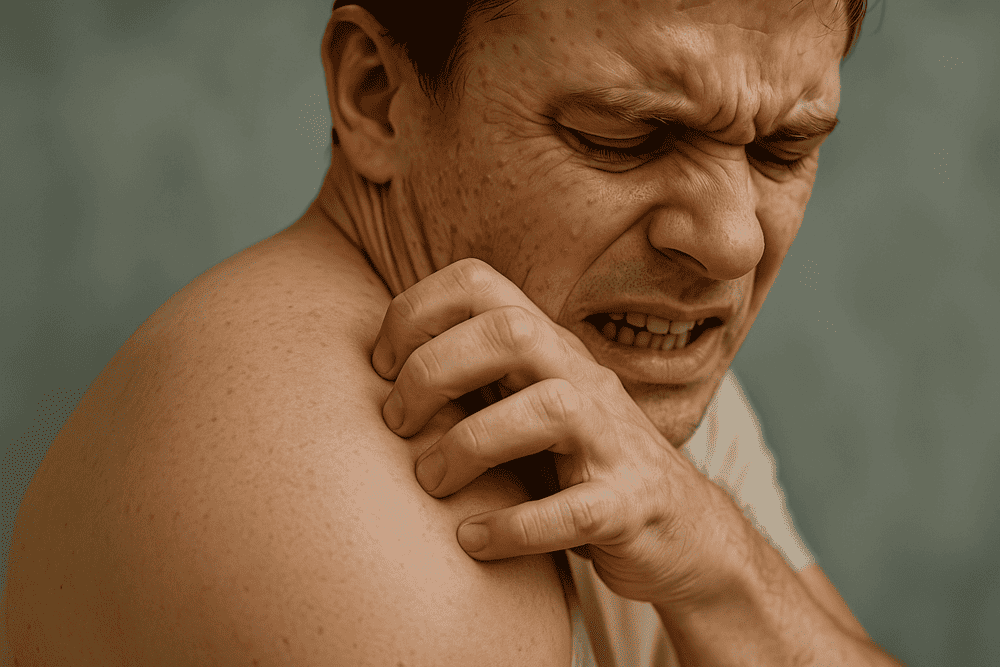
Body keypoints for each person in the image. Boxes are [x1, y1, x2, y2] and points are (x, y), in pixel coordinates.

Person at [2, 0, 903, 664]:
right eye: (624, 137)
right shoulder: (348, 512)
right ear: (376, 95)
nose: (732, 241)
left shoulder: (612, 373)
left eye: (784, 149)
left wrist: (717, 555)